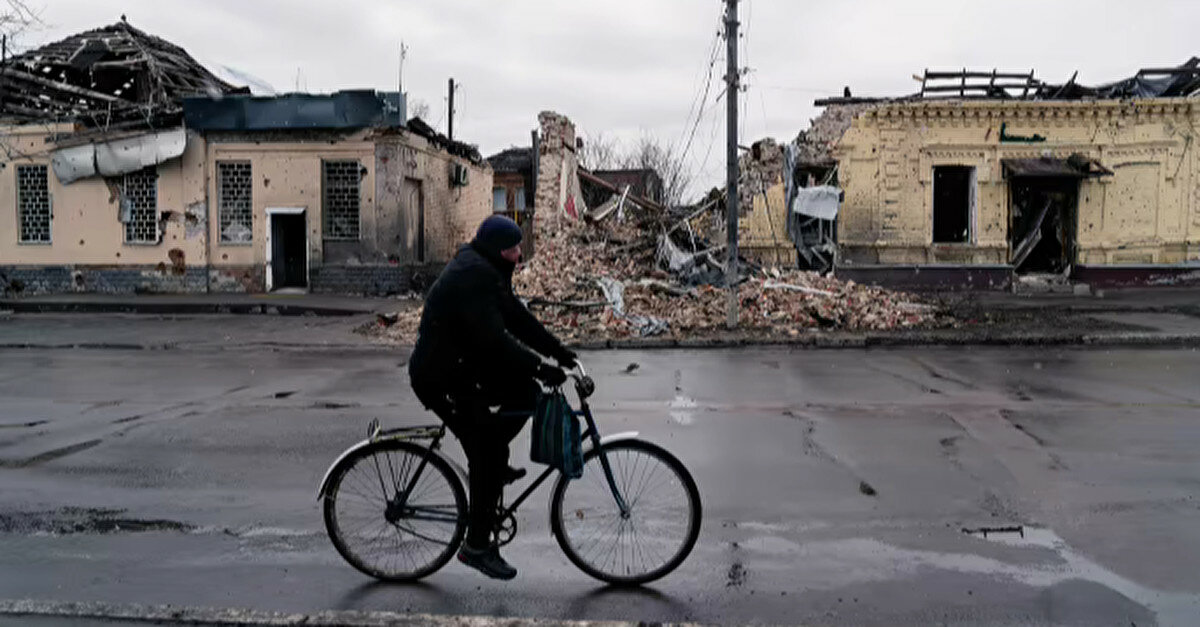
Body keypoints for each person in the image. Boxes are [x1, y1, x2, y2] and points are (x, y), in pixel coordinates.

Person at [408, 215, 576, 580]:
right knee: (484, 450)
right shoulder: (475, 275)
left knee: (526, 393)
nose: (519, 255)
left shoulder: (486, 269)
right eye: (516, 249)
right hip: (440, 378)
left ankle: (493, 464)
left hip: (462, 367)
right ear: (502, 250)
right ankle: (477, 546)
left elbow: (517, 318)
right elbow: (496, 341)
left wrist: (560, 353)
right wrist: (540, 366)